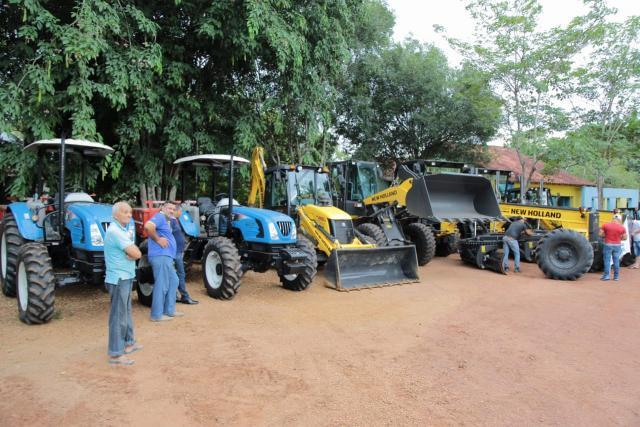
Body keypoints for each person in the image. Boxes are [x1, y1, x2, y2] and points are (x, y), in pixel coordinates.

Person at [105, 201, 142, 365]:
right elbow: (136, 252)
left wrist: (132, 253)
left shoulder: (122, 230)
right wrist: (133, 253)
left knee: (125, 313)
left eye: (130, 212)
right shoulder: (115, 231)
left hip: (125, 277)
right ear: (115, 215)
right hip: (118, 279)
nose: (129, 215)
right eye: (125, 212)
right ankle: (115, 354)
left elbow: (134, 252)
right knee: (119, 316)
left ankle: (128, 343)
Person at [145, 201, 183, 321]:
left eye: (173, 209)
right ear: (162, 208)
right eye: (169, 208)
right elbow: (148, 226)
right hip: (160, 255)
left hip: (166, 256)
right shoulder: (160, 216)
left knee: (174, 280)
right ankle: (156, 315)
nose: (171, 210)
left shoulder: (166, 220)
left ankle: (169, 310)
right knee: (162, 284)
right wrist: (158, 239)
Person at [171, 203, 198, 304]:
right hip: (175, 252)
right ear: (176, 211)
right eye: (180, 211)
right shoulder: (172, 222)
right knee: (180, 274)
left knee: (178, 274)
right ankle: (184, 296)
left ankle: (178, 295)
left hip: (179, 251)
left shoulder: (177, 221)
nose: (181, 213)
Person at [599, 214, 628, 281]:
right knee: (616, 261)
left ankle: (606, 276)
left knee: (607, 260)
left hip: (608, 244)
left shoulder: (605, 225)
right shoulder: (622, 227)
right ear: (620, 220)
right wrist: (619, 238)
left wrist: (605, 236)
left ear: (612, 218)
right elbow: (625, 238)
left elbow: (600, 234)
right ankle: (616, 277)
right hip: (617, 245)